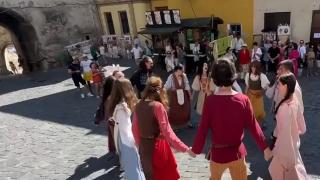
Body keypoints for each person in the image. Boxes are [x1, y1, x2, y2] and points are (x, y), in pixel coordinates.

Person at [191, 59, 271, 180]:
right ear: (233, 75)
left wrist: (196, 149)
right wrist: (265, 148)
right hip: (238, 153)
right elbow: (254, 126)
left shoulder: (210, 101)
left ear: (214, 78)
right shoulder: (243, 99)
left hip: (218, 155)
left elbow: (203, 129)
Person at [132, 76, 194, 180]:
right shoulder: (158, 106)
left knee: (151, 176)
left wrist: (141, 146)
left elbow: (134, 129)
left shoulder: (138, 105)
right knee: (166, 175)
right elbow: (168, 132)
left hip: (144, 148)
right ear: (160, 90)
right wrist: (186, 149)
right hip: (158, 146)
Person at [268, 73, 307, 180]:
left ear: (285, 86)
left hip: (284, 152)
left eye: (279, 85)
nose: (278, 87)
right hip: (294, 148)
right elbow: (303, 128)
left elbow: (283, 136)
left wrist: (274, 151)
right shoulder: (295, 101)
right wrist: (293, 132)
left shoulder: (283, 108)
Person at [107, 78, 145, 180]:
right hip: (128, 141)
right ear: (125, 89)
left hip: (125, 140)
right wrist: (135, 144)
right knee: (134, 168)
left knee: (133, 167)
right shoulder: (121, 108)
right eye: (130, 86)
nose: (132, 88)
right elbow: (125, 130)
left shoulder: (122, 105)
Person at [245, 60, 270, 128]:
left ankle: (259, 123)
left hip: (258, 96)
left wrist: (261, 93)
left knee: (258, 110)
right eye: (252, 67)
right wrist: (245, 95)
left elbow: (265, 87)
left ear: (258, 68)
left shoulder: (262, 76)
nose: (253, 69)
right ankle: (250, 122)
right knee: (249, 109)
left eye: (254, 67)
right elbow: (247, 86)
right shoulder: (248, 75)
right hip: (250, 94)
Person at [94, 76, 116, 152]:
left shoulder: (109, 95)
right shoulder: (109, 98)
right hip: (112, 121)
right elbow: (108, 112)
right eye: (115, 83)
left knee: (113, 137)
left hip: (112, 120)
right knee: (115, 137)